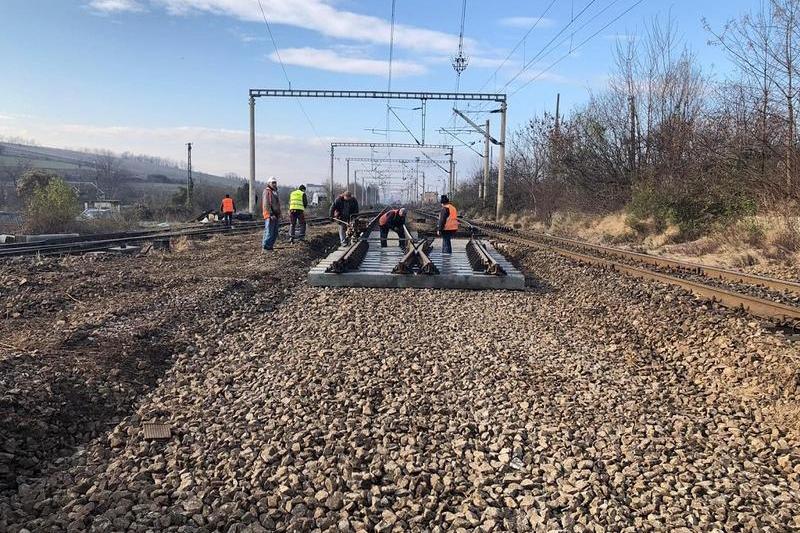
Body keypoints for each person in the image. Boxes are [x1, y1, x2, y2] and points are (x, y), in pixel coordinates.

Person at [261, 177, 281, 251]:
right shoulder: (267, 191)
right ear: (269, 183)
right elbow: (266, 204)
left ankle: (270, 246)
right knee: (269, 231)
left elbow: (277, 204)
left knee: (274, 232)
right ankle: (266, 247)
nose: (274, 184)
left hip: (275, 215)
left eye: (275, 182)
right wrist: (270, 214)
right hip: (270, 215)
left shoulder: (275, 192)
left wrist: (279, 214)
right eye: (273, 182)